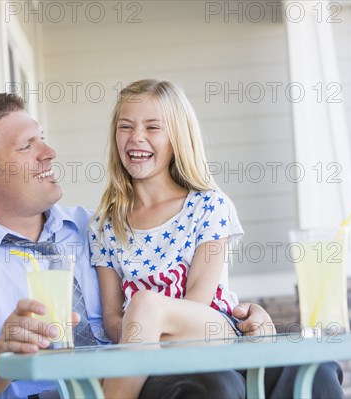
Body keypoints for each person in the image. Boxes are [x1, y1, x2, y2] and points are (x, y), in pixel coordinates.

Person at [0, 92, 343, 399]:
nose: (50, 152)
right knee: (211, 386)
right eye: (28, 146)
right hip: (56, 395)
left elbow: (182, 289)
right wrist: (1, 352)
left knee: (313, 368)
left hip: (144, 380)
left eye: (43, 137)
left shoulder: (100, 224)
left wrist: (243, 320)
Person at [90, 79, 246, 398]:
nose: (137, 138)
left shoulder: (208, 206)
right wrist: (141, 336)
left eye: (152, 127)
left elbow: (198, 301)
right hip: (144, 346)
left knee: (146, 303)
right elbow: (112, 318)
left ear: (176, 138)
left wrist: (146, 328)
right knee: (143, 309)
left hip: (212, 330)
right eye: (126, 126)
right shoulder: (106, 223)